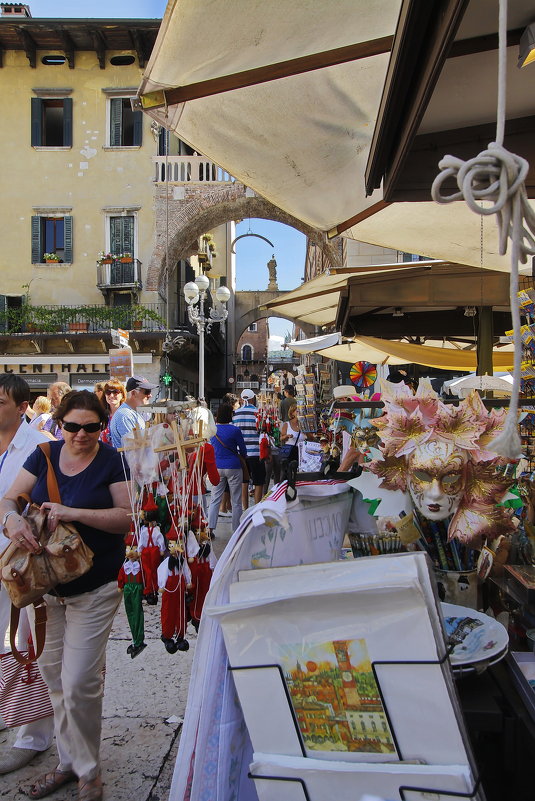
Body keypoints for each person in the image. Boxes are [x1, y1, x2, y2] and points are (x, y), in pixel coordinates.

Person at [0, 390, 131, 801]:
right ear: (60, 423)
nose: (80, 434)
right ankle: (68, 762)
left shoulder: (112, 460)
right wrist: (11, 521)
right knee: (54, 678)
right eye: (72, 426)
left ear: (101, 427)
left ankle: (89, 773)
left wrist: (73, 513)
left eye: (90, 427)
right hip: (46, 591)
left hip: (94, 588)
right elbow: (10, 497)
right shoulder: (43, 454)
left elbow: (126, 518)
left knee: (78, 683)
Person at [0, 375, 54, 775]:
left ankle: (33, 735)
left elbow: (48, 503)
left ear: (21, 407)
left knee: (28, 643)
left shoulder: (38, 446)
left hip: (23, 561)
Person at [207, 403, 247, 535]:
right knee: (236, 501)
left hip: (217, 467)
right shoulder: (235, 430)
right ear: (230, 414)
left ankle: (210, 529)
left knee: (215, 499)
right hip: (234, 467)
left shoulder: (213, 430)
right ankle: (236, 530)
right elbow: (243, 451)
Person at [233, 389, 265, 508]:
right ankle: (257, 507)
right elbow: (262, 432)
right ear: (252, 399)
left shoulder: (236, 414)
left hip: (241, 453)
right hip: (256, 452)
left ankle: (245, 508)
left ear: (242, 399)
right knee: (258, 482)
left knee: (244, 482)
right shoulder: (258, 413)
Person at [109, 376, 157, 449]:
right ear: (133, 393)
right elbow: (134, 448)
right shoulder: (125, 415)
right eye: (147, 392)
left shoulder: (132, 412)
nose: (150, 395)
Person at [218, 393, 240, 517]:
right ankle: (224, 506)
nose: (238, 405)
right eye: (237, 403)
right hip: (231, 461)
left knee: (220, 490)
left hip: (219, 462)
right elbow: (242, 447)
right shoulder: (232, 422)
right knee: (229, 486)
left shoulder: (217, 425)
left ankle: (225, 505)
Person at [98, 380, 126, 445]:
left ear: (122, 395)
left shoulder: (125, 415)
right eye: (108, 392)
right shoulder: (101, 416)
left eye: (115, 392)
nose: (111, 395)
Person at [279, 403, 304, 476]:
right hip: (290, 451)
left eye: (300, 411)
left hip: (301, 452)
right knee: (288, 472)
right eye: (297, 411)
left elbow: (310, 438)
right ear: (292, 413)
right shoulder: (287, 424)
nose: (299, 412)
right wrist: (287, 436)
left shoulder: (303, 424)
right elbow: (281, 438)